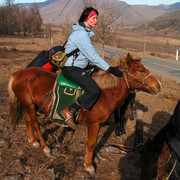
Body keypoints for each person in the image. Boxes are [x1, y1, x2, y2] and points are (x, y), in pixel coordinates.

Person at [61, 7, 123, 129]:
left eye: (96, 18)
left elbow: (84, 54)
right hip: (72, 69)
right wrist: (109, 69)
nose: (96, 21)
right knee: (94, 90)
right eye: (93, 18)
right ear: (86, 18)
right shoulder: (82, 34)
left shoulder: (84, 32)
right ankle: (70, 110)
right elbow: (93, 56)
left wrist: (90, 66)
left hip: (78, 66)